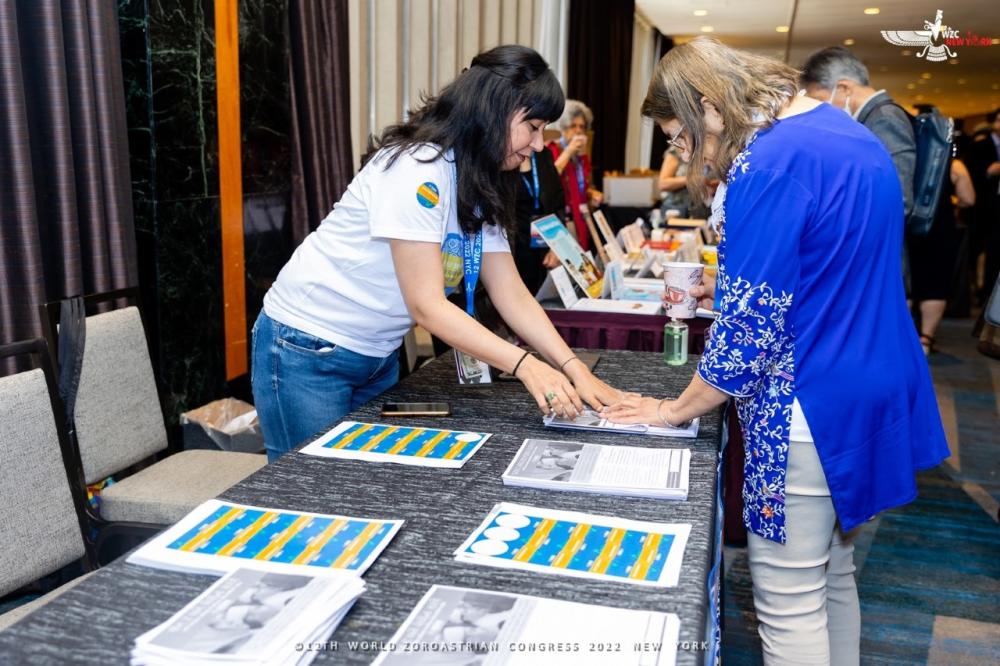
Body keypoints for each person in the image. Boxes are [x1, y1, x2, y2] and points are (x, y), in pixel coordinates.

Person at [605, 37, 949, 665]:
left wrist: (673, 409)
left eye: (681, 137)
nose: (686, 157)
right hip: (874, 378)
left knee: (788, 599)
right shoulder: (844, 132)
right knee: (832, 574)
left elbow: (747, 335)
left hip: (809, 403)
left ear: (710, 106)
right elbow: (834, 263)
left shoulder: (768, 163)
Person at [252, 45, 622, 462]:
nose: (539, 144)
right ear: (494, 110)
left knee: (364, 483)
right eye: (532, 127)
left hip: (378, 353)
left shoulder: (479, 177)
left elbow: (510, 290)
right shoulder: (417, 168)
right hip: (308, 346)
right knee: (310, 490)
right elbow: (427, 306)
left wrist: (571, 365)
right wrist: (526, 365)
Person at [800, 46, 916, 220]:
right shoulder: (870, 119)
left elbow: (897, 199)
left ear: (844, 88)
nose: (819, 109)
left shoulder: (885, 120)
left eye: (820, 100)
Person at [909, 158, 976, 354]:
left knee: (906, 283)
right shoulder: (953, 164)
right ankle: (926, 340)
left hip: (907, 225)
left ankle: (902, 336)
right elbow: (969, 198)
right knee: (935, 285)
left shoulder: (902, 154)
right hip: (939, 227)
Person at [547, 99, 602, 250]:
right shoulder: (553, 149)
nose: (578, 130)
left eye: (582, 127)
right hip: (562, 220)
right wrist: (569, 151)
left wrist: (592, 193)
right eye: (573, 126)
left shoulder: (581, 156)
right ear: (564, 128)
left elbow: (583, 186)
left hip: (581, 217)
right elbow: (550, 177)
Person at [512, 147, 564, 294]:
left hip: (541, 242)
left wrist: (557, 245)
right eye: (534, 128)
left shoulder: (543, 154)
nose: (539, 141)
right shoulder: (504, 157)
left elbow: (557, 201)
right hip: (512, 246)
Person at [965, 108, 1000, 304]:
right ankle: (980, 292)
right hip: (983, 209)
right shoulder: (980, 146)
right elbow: (972, 175)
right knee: (978, 251)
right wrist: (989, 172)